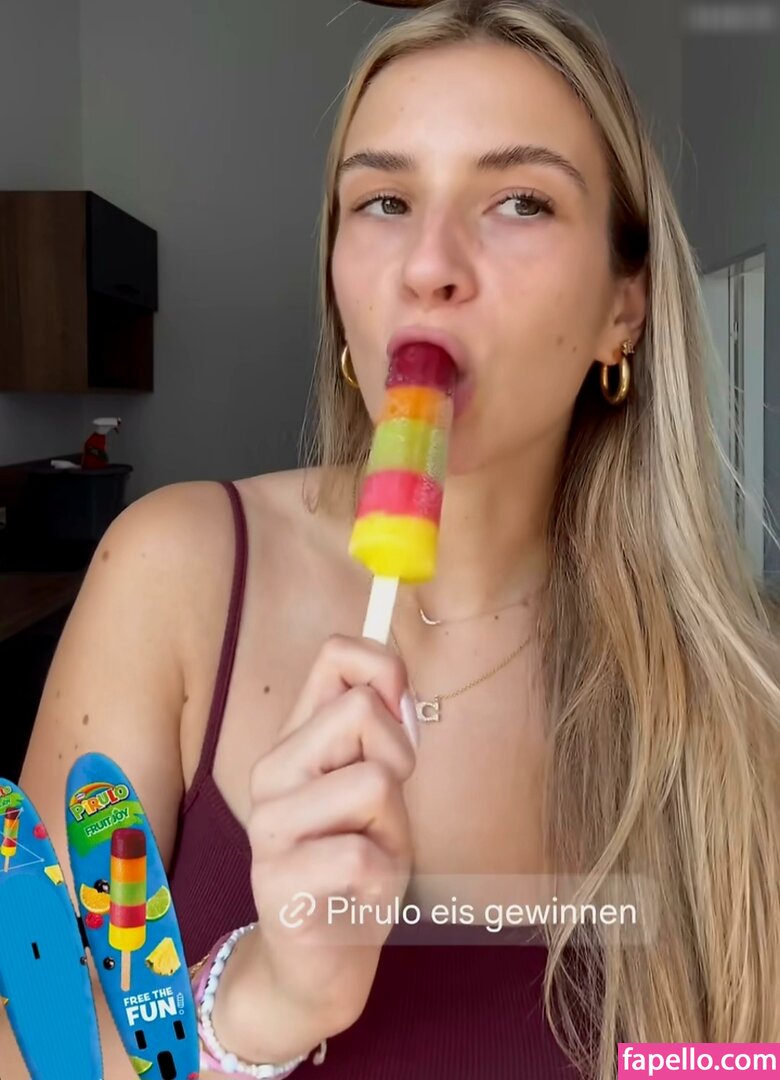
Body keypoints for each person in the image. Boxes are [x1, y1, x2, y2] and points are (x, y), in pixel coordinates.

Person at [4, 0, 779, 1077]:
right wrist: (259, 1001)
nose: (429, 264)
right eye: (383, 200)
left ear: (625, 308)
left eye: (520, 200)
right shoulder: (172, 572)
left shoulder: (736, 710)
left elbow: (735, 1061)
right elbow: (24, 1041)